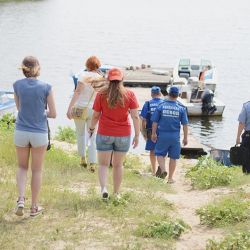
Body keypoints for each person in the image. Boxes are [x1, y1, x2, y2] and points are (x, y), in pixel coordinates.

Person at [13, 56, 56, 216]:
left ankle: (21, 199)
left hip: (21, 131)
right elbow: (53, 113)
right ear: (38, 68)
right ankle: (34, 207)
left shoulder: (17, 85)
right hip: (39, 133)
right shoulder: (46, 87)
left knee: (22, 167)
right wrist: (42, 112)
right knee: (37, 171)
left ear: (23, 69)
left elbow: (19, 108)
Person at [89, 68, 140, 199]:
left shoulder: (101, 94)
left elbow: (95, 116)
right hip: (123, 134)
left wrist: (91, 129)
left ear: (108, 80)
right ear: (122, 79)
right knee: (118, 165)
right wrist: (137, 135)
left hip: (105, 132)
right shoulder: (130, 94)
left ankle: (104, 189)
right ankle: (116, 193)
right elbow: (135, 117)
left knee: (103, 164)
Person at [67, 56, 105, 171]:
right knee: (92, 137)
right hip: (94, 110)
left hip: (80, 108)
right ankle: (92, 163)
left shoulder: (83, 76)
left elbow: (77, 92)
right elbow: (102, 96)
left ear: (87, 65)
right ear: (98, 66)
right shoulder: (100, 78)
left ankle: (83, 159)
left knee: (80, 134)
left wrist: (69, 108)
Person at [151, 86, 188, 183]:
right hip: (175, 137)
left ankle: (163, 170)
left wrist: (153, 134)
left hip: (163, 135)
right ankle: (170, 178)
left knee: (159, 153)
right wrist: (185, 138)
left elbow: (155, 122)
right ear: (178, 95)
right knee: (173, 157)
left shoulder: (161, 106)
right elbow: (185, 125)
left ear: (168, 94)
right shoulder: (181, 108)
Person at [140, 86, 164, 175]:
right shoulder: (164, 103)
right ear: (160, 94)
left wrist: (144, 132)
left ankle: (153, 171)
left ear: (151, 94)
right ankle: (162, 168)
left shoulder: (148, 104)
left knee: (152, 151)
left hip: (151, 130)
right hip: (163, 130)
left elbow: (143, 120)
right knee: (162, 151)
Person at [236, 101, 250, 174]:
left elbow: (241, 123)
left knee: (245, 155)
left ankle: (247, 172)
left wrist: (238, 137)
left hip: (248, 136)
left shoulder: (246, 106)